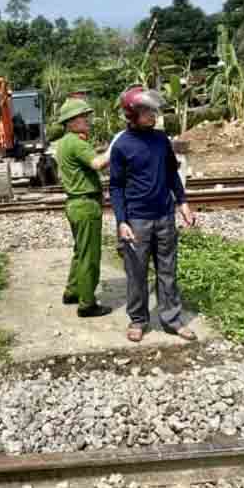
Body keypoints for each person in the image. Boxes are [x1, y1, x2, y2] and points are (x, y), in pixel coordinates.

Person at [109, 86, 197, 343]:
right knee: (136, 272)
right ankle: (138, 320)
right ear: (132, 114)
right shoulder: (122, 146)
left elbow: (171, 173)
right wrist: (121, 221)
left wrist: (182, 203)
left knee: (168, 269)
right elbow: (116, 186)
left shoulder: (161, 140)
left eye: (153, 110)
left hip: (164, 216)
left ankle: (172, 319)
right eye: (147, 111)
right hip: (136, 219)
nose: (153, 115)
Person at [54, 98, 113, 318]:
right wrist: (117, 146)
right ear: (70, 122)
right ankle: (87, 304)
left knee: (80, 251)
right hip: (86, 204)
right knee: (90, 255)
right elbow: (98, 164)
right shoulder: (77, 143)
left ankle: (72, 291)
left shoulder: (64, 142)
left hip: (74, 204)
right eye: (82, 117)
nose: (86, 120)